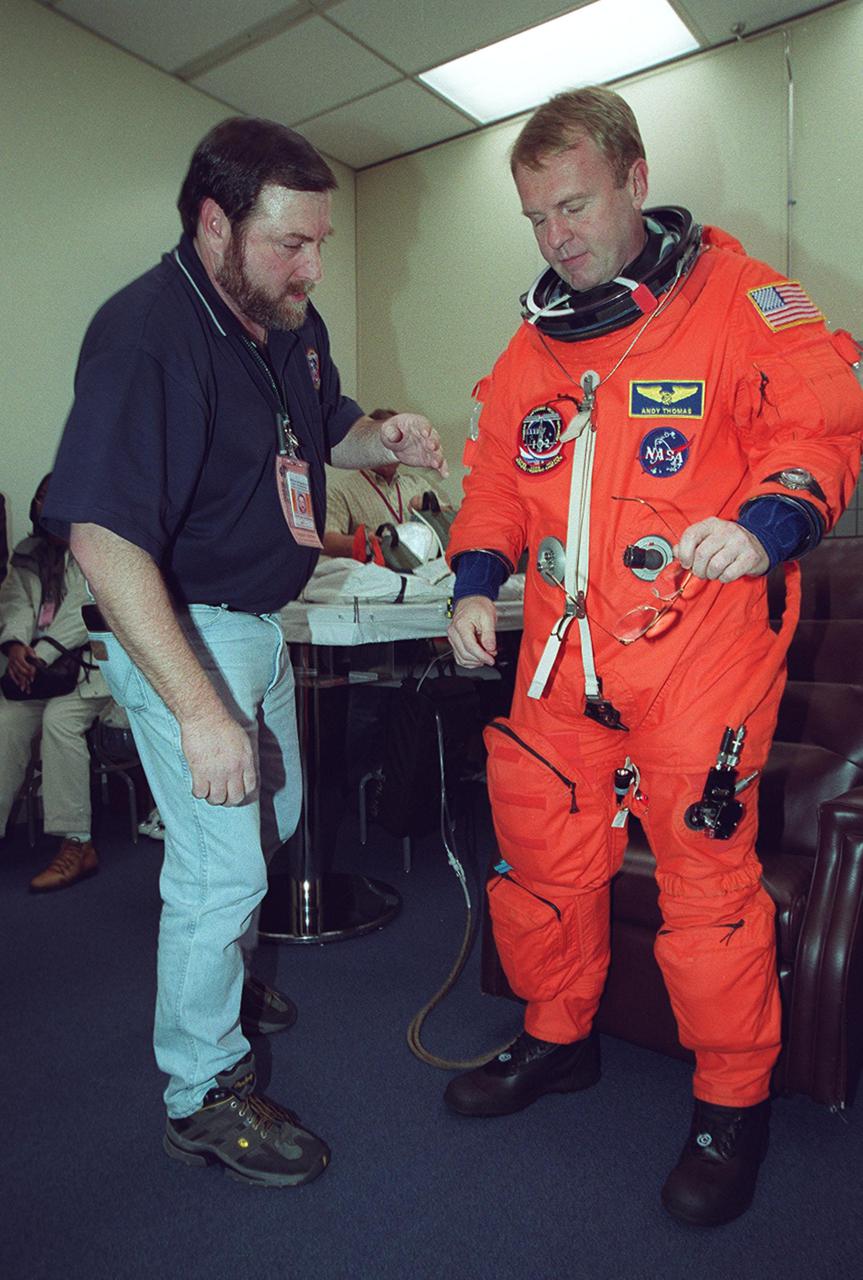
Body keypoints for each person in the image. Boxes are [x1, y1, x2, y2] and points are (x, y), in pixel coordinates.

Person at [444, 86, 863, 1227]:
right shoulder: (532, 346)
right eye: (536, 217)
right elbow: (495, 478)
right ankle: (556, 1036)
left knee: (704, 885)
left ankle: (730, 1103)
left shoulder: (740, 300)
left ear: (634, 178)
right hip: (560, 656)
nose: (555, 235)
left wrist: (766, 524)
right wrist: (474, 579)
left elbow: (818, 426)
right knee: (542, 854)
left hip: (698, 645)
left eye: (573, 205)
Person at [41, 116, 446, 1190]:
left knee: (274, 820)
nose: (312, 267)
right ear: (215, 224)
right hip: (182, 628)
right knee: (219, 872)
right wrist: (199, 711)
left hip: (260, 620)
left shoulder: (285, 319)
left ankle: (219, 971)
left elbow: (325, 425)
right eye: (290, 243)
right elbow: (101, 539)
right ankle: (201, 1089)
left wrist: (381, 436)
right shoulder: (145, 335)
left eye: (320, 242)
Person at [0, 474, 111, 890]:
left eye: (54, 496)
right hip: (37, 674)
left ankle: (77, 844)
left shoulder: (96, 548)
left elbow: (84, 609)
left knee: (60, 721)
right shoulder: (28, 554)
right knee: (5, 722)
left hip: (90, 674)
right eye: (40, 497)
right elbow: (16, 603)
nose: (44, 504)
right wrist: (16, 647)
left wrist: (39, 655)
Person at [322, 408, 453, 559]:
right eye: (385, 440)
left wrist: (433, 511)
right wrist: (367, 545)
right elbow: (327, 540)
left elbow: (451, 524)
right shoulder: (340, 491)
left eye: (398, 441)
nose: (391, 447)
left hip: (423, 568)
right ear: (368, 443)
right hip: (372, 570)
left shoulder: (418, 485)